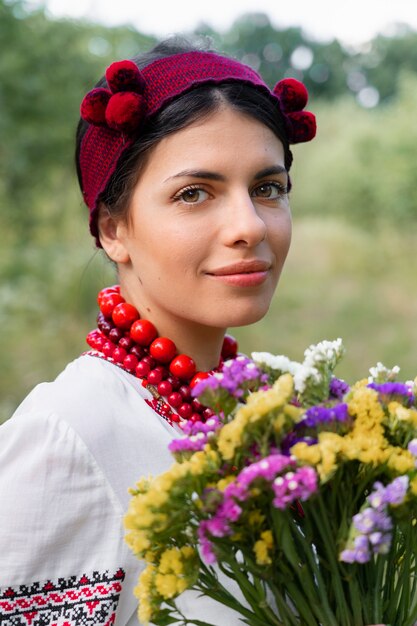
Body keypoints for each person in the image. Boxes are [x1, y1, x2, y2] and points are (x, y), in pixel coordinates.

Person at [0, 36, 316, 625]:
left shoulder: (267, 417)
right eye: (194, 194)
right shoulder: (69, 443)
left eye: (267, 188)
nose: (249, 226)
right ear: (113, 227)